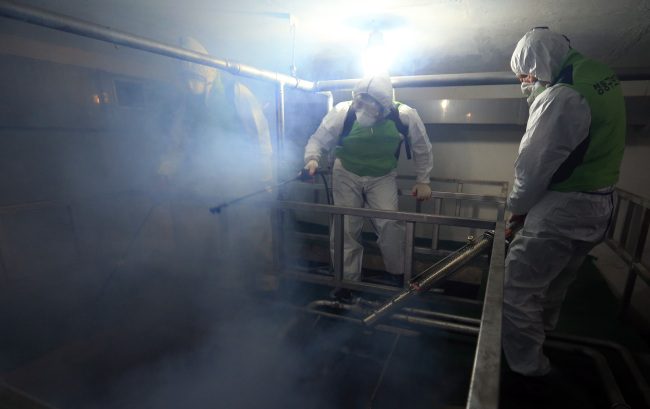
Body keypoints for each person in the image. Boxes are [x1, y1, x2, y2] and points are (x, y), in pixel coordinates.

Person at [502, 27, 626, 382]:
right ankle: (546, 334)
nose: (525, 82)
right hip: (600, 203)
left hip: (563, 209)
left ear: (539, 64)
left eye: (526, 75)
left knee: (518, 287)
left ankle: (528, 369)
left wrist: (518, 206)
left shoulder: (561, 96)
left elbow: (534, 164)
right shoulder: (600, 74)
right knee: (558, 278)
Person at [155, 36, 274, 289]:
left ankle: (265, 279)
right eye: (184, 76)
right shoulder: (187, 104)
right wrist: (164, 172)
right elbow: (178, 143)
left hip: (241, 172)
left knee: (253, 224)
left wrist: (265, 177)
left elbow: (259, 134)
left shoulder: (235, 91)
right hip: (206, 175)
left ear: (206, 70)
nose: (189, 82)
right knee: (209, 226)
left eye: (193, 75)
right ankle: (223, 279)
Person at [302, 71, 434, 293]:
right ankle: (346, 284)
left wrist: (423, 180)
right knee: (345, 229)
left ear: (385, 107)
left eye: (369, 107)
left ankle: (397, 275)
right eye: (359, 102)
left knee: (390, 225)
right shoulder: (343, 112)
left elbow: (422, 148)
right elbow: (319, 138)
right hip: (346, 172)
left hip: (382, 176)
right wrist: (312, 159)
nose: (361, 110)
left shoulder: (404, 116)